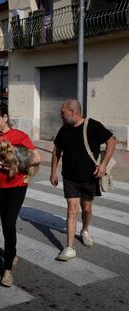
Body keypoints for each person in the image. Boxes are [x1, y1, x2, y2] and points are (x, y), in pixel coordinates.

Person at [0, 104, 41, 287]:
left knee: (9, 222)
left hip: (17, 185)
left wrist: (17, 159)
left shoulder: (20, 136)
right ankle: (12, 253)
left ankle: (7, 270)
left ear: (5, 117)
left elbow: (37, 158)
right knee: (6, 225)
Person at [50, 99, 115, 261]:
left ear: (73, 112)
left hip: (89, 177)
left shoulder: (93, 125)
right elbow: (56, 151)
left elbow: (111, 141)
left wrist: (104, 165)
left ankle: (85, 230)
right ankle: (70, 247)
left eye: (63, 113)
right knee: (72, 210)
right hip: (70, 177)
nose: (61, 116)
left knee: (86, 208)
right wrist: (53, 172)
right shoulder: (64, 129)